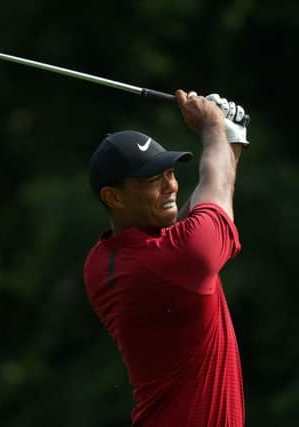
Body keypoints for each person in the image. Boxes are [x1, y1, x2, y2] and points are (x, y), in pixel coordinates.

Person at [83, 89, 248, 427]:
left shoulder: (101, 263)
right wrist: (217, 130)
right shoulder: (180, 260)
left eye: (170, 172)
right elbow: (214, 190)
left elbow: (208, 203)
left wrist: (229, 139)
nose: (171, 186)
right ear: (113, 196)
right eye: (152, 179)